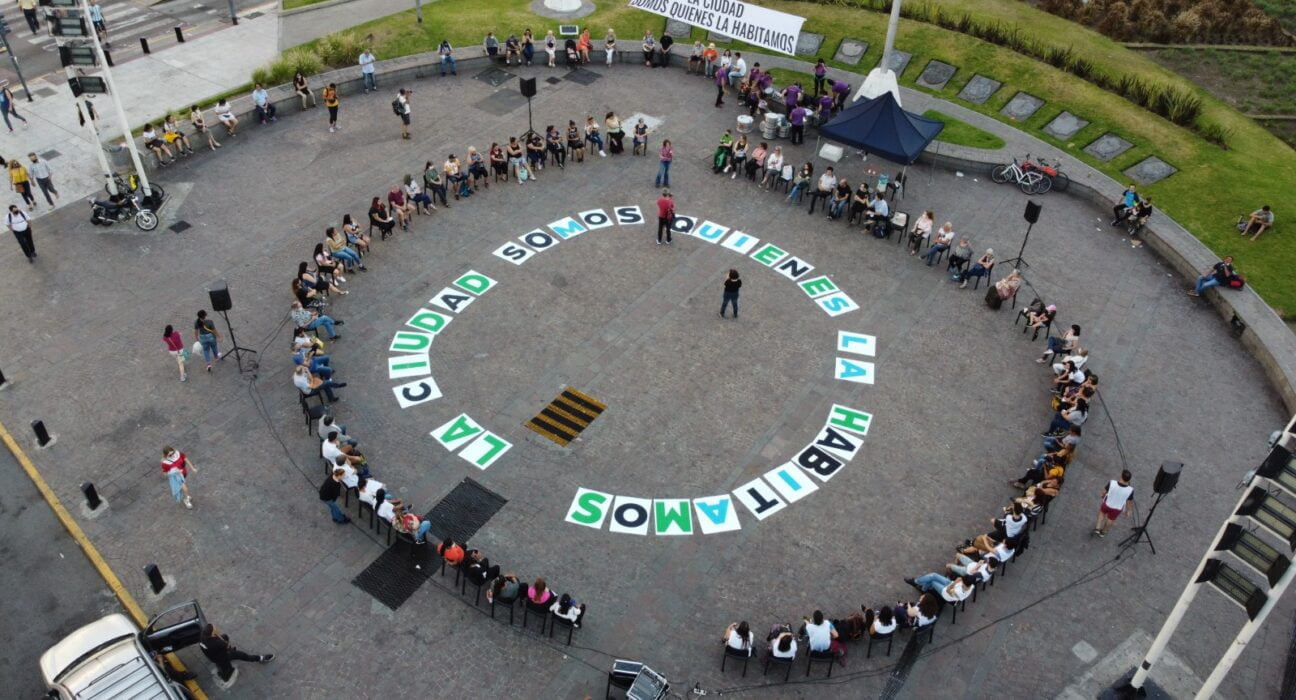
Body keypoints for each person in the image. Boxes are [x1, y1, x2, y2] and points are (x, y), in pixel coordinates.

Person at [199, 624, 272, 689]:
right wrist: (227, 647)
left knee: (225, 636)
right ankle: (261, 658)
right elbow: (225, 646)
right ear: (212, 633)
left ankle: (227, 660)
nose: (217, 629)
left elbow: (221, 642)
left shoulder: (202, 637)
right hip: (222, 656)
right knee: (243, 655)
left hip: (212, 656)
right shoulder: (217, 643)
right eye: (215, 629)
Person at [1095, 469, 1134, 537]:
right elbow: (1129, 502)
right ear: (1129, 480)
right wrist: (1128, 511)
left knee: (1102, 514)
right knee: (1110, 520)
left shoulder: (1112, 483)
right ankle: (1103, 532)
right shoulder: (1130, 490)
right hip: (1117, 508)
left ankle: (1097, 528)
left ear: (1121, 476)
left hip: (1107, 503)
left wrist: (1102, 495)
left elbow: (1104, 492)